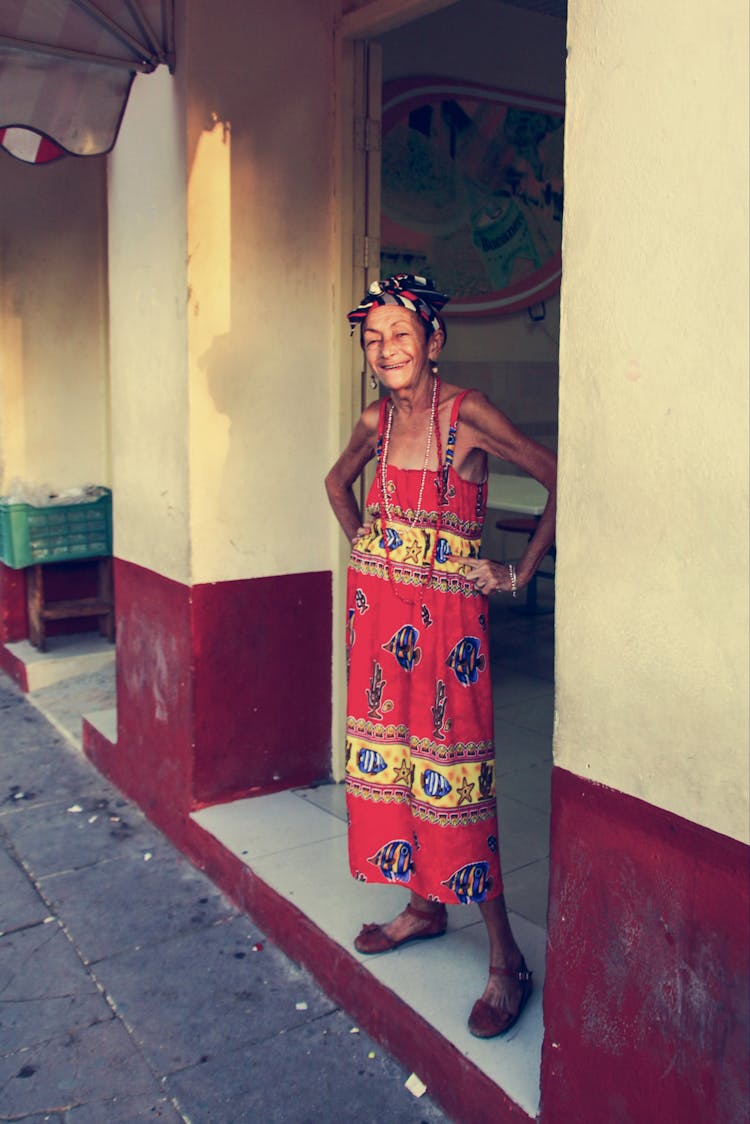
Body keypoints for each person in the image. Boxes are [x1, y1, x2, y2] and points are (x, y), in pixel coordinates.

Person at [324, 274, 557, 1038]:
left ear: (433, 342)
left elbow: (562, 479)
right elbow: (336, 482)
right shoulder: (375, 421)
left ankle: (505, 959)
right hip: (382, 624)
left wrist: (516, 575)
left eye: (400, 334)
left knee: (456, 783)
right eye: (373, 338)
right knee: (392, 772)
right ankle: (423, 907)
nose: (387, 349)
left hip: (450, 637)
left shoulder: (470, 416)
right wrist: (366, 543)